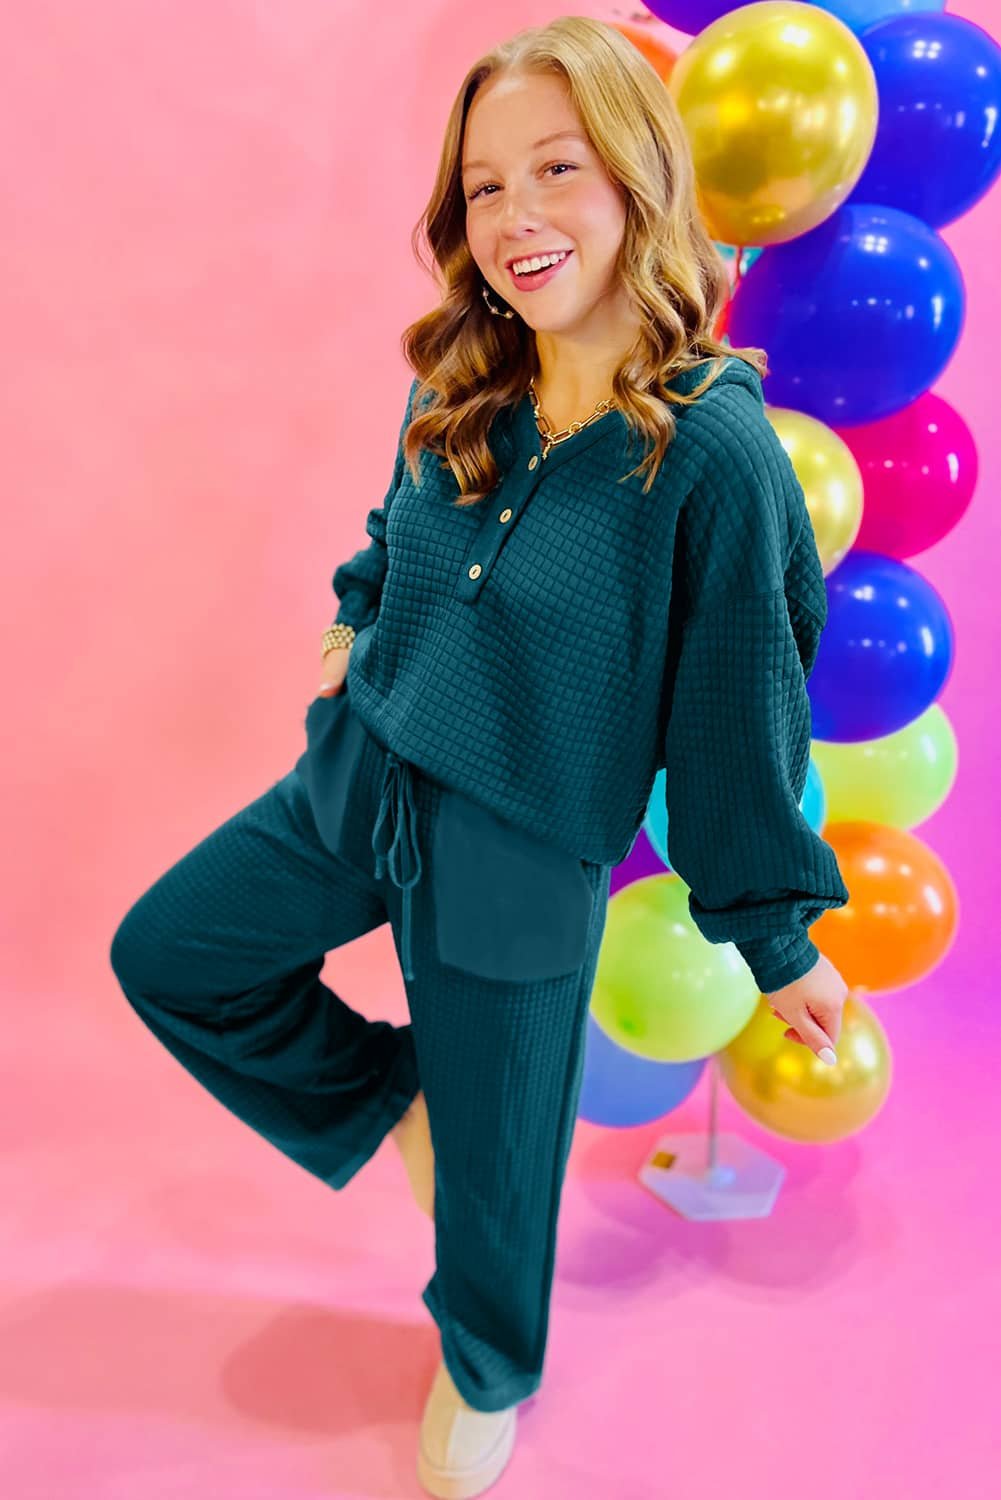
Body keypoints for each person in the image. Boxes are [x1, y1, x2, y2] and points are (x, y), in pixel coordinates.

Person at [109, 16, 850, 1499]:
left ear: (636, 176)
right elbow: (390, 539)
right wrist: (351, 628)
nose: (515, 215)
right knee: (171, 954)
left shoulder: (712, 456)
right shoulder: (461, 374)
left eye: (555, 170)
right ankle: (398, 1105)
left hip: (522, 844)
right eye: (486, 184)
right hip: (361, 773)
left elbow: (735, 715)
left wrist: (777, 943)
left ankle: (487, 1366)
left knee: (500, 1186)